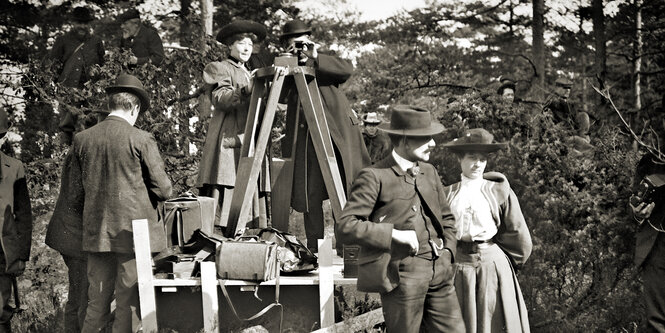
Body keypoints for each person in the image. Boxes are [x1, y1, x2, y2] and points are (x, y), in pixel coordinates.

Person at [337, 105, 464, 333]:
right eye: (425, 138)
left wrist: (448, 254)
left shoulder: (429, 171)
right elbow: (346, 226)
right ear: (405, 140)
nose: (433, 144)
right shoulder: (374, 176)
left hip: (441, 272)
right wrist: (393, 234)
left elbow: (447, 219)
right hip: (402, 277)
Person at [70, 74, 172, 332]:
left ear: (110, 104)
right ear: (135, 108)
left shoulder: (82, 139)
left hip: (97, 235)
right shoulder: (141, 139)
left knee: (96, 304)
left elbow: (75, 194)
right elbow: (164, 190)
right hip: (132, 237)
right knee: (127, 303)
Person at [280, 19, 370, 251]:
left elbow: (347, 70)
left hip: (336, 137)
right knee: (309, 196)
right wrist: (286, 65)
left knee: (345, 190)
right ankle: (315, 248)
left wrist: (315, 56)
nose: (299, 49)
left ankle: (347, 248)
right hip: (307, 142)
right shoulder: (286, 65)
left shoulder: (323, 60)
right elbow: (279, 96)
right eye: (294, 45)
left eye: (302, 44)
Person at [442, 128, 532, 333]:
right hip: (457, 266)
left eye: (482, 159)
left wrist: (505, 266)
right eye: (472, 157)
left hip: (490, 265)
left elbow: (519, 234)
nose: (477, 164)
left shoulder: (499, 191)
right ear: (460, 159)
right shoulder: (448, 193)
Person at [197, 19, 268, 227]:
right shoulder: (219, 68)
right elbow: (221, 98)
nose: (247, 48)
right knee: (229, 183)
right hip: (229, 140)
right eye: (241, 43)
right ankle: (223, 239)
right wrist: (245, 89)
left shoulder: (252, 71)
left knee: (249, 183)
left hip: (250, 139)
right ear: (230, 45)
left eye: (249, 44)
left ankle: (249, 239)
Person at [45, 110, 108, 333]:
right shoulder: (82, 153)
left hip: (75, 234)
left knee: (82, 296)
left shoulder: (81, 150)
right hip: (73, 235)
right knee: (81, 298)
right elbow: (78, 197)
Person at [49, 6, 105, 144]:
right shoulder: (62, 40)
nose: (82, 26)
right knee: (66, 126)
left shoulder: (96, 41)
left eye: (85, 23)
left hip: (91, 90)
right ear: (73, 23)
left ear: (89, 24)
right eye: (79, 22)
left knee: (93, 123)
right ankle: (64, 155)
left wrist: (99, 86)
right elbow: (53, 65)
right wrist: (59, 87)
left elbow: (102, 66)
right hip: (68, 89)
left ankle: (90, 155)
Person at [0, 107, 33, 333]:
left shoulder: (14, 167)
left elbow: (23, 214)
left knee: (1, 311)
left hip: (4, 252)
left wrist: (21, 254)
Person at [630, 152, 665, 332]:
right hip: (659, 247)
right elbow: (632, 197)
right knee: (656, 323)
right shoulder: (654, 156)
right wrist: (637, 212)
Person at [543, 77, 593, 155]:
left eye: (569, 88)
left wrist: (584, 133)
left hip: (571, 135)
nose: (568, 90)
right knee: (590, 151)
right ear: (557, 88)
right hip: (560, 138)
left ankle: (584, 142)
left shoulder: (567, 103)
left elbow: (574, 119)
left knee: (583, 116)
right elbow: (560, 124)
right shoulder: (552, 103)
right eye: (564, 88)